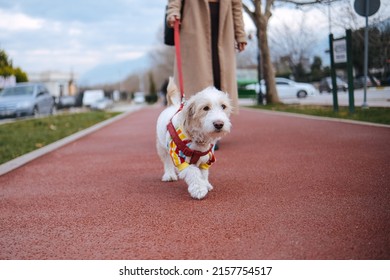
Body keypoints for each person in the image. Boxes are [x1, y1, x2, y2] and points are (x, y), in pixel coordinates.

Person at [167, 0, 247, 113]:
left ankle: (218, 122)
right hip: (193, 22)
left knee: (221, 79)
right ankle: (191, 119)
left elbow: (236, 5)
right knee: (197, 79)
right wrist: (173, 11)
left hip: (223, 24)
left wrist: (240, 33)